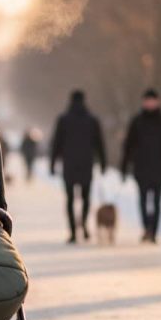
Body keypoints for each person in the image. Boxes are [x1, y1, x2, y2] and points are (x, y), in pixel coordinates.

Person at [120, 89, 161, 243]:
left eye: (152, 100)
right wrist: (125, 167)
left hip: (159, 169)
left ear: (158, 101)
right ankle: (146, 227)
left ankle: (154, 231)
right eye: (147, 100)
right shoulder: (137, 122)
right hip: (141, 168)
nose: (150, 103)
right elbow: (128, 146)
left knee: (157, 201)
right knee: (143, 200)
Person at [50, 90, 106, 243]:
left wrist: (53, 163)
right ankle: (84, 225)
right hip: (86, 164)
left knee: (69, 199)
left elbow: (56, 143)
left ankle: (74, 232)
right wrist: (103, 162)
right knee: (86, 198)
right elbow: (99, 143)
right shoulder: (92, 120)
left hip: (69, 165)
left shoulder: (63, 119)